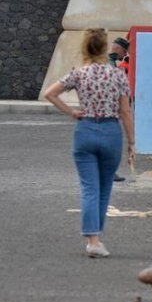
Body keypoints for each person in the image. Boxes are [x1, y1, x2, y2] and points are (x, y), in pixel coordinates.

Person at [44, 28, 135, 258]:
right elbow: (125, 111)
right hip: (110, 131)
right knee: (105, 188)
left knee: (89, 187)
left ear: (85, 48)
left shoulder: (79, 73)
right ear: (105, 49)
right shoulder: (118, 75)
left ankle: (92, 238)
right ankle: (96, 239)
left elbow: (50, 93)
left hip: (85, 130)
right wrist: (132, 142)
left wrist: (72, 112)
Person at [108, 36, 131, 182]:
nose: (125, 55)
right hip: (109, 113)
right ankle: (110, 173)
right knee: (111, 145)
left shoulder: (110, 62)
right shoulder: (113, 65)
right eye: (125, 51)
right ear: (118, 49)